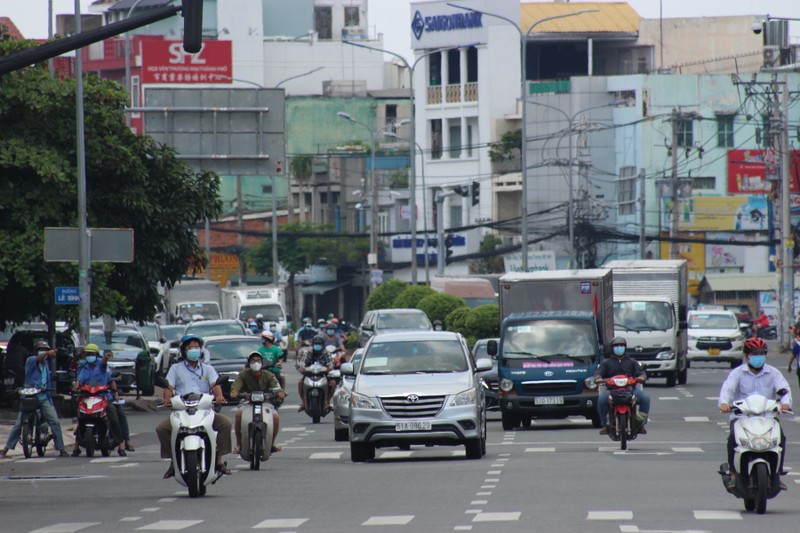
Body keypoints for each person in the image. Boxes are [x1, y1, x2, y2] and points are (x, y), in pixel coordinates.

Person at [155, 334, 232, 478]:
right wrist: (167, 399)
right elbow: (168, 386)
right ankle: (174, 461)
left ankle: (219, 460)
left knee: (225, 424)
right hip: (181, 410)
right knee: (162, 429)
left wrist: (219, 396)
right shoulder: (175, 369)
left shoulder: (208, 369)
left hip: (204, 409)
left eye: (197, 347)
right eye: (191, 347)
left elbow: (215, 385)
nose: (194, 350)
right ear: (184, 350)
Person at [719, 337, 791, 490]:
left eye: (761, 353)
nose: (758, 356)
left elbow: (784, 390)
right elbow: (728, 390)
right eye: (754, 353)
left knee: (781, 439)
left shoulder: (773, 373)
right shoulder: (737, 373)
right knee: (732, 440)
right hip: (742, 417)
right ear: (747, 355)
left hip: (768, 417)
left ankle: (777, 474)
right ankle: (733, 473)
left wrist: (785, 403)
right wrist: (725, 403)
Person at [0, 341, 69, 458]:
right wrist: (48, 353)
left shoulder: (45, 365)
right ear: (35, 352)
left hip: (43, 397)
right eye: (40, 350)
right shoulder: (31, 360)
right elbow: (39, 358)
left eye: (45, 349)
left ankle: (61, 449)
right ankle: (6, 448)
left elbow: (46, 378)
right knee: (18, 424)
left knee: (55, 422)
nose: (43, 352)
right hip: (29, 397)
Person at [72, 343, 127, 456]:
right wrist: (75, 387)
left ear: (97, 355)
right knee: (80, 417)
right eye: (88, 354)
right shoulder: (84, 368)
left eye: (92, 354)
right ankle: (76, 446)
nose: (90, 356)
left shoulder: (102, 366)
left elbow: (105, 364)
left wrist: (106, 358)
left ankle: (120, 443)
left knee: (114, 416)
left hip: (103, 397)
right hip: (87, 398)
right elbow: (79, 381)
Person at [230, 352, 286, 455]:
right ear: (249, 363)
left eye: (258, 360)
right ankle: (239, 444)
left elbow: (276, 386)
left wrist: (280, 392)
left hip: (265, 402)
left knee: (275, 417)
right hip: (247, 402)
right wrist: (235, 392)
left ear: (261, 362)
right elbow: (236, 385)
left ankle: (272, 444)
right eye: (253, 361)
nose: (256, 363)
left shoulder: (268, 375)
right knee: (238, 415)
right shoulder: (243, 374)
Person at [594, 336, 651, 436]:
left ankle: (641, 423)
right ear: (612, 348)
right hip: (612, 391)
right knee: (601, 399)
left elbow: (640, 373)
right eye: (616, 346)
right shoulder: (606, 363)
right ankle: (605, 425)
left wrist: (642, 377)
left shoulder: (632, 362)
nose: (619, 348)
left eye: (621, 346)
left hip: (630, 390)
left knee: (645, 398)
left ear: (625, 348)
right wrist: (598, 379)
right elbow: (598, 374)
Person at [297, 335, 335, 412]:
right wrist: (301, 367)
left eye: (319, 344)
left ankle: (327, 401)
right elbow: (302, 361)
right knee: (300, 383)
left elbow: (331, 363)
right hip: (309, 375)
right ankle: (304, 403)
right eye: (316, 344)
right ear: (313, 344)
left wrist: (330, 368)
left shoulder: (326, 353)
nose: (317, 345)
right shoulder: (308, 352)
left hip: (323, 375)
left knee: (333, 383)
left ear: (323, 345)